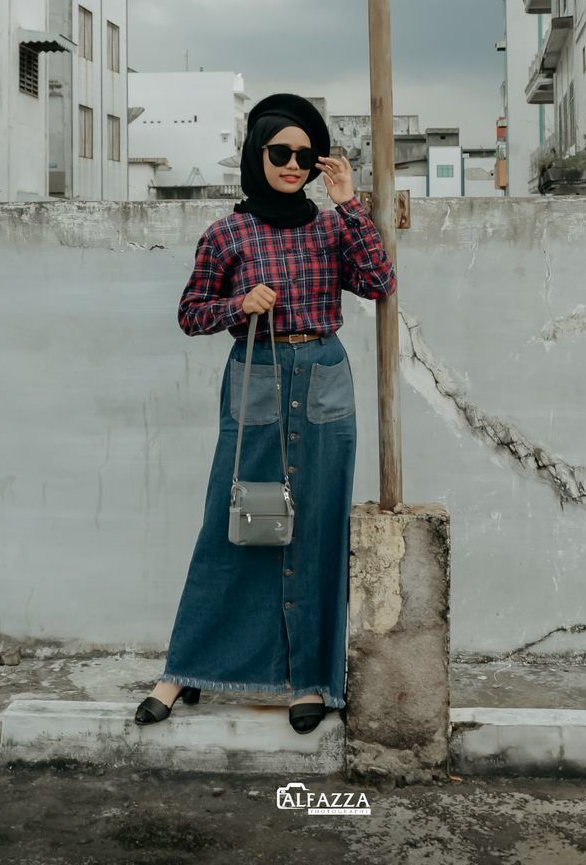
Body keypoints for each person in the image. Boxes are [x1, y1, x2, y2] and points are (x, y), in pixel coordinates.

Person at [134, 93, 396, 735]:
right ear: (257, 154)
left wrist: (350, 202)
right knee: (237, 522)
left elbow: (379, 282)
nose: (292, 164)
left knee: (318, 527)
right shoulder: (229, 232)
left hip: (325, 375)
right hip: (257, 373)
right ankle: (186, 668)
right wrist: (238, 306)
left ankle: (309, 677)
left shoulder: (333, 225)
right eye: (280, 152)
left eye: (305, 156)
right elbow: (191, 312)